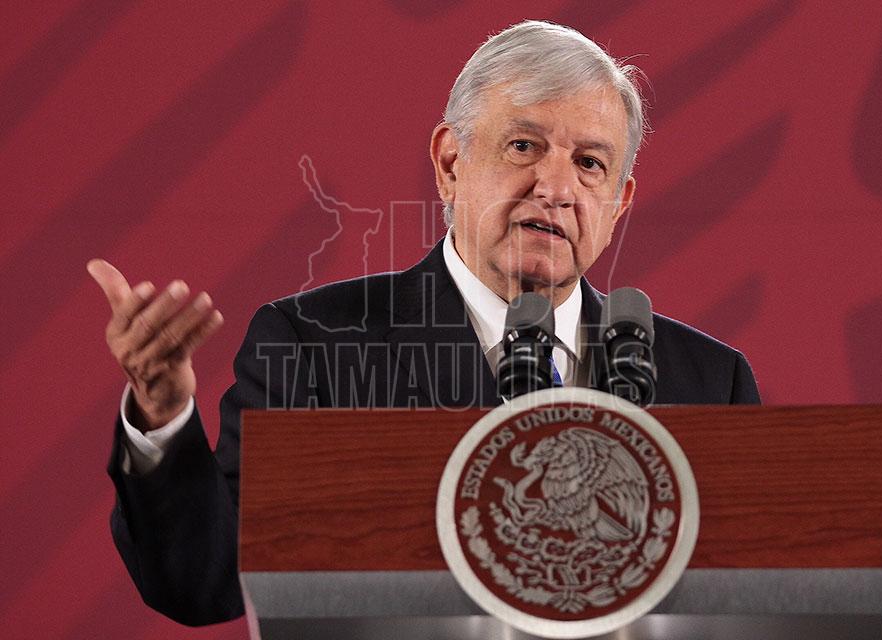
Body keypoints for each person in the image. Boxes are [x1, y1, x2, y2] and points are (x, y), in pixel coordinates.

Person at [88, 20, 760, 626]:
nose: (557, 189)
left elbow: (752, 603)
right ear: (449, 163)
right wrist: (162, 415)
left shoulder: (710, 381)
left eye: (589, 164)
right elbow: (204, 583)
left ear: (619, 202)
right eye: (523, 146)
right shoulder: (316, 349)